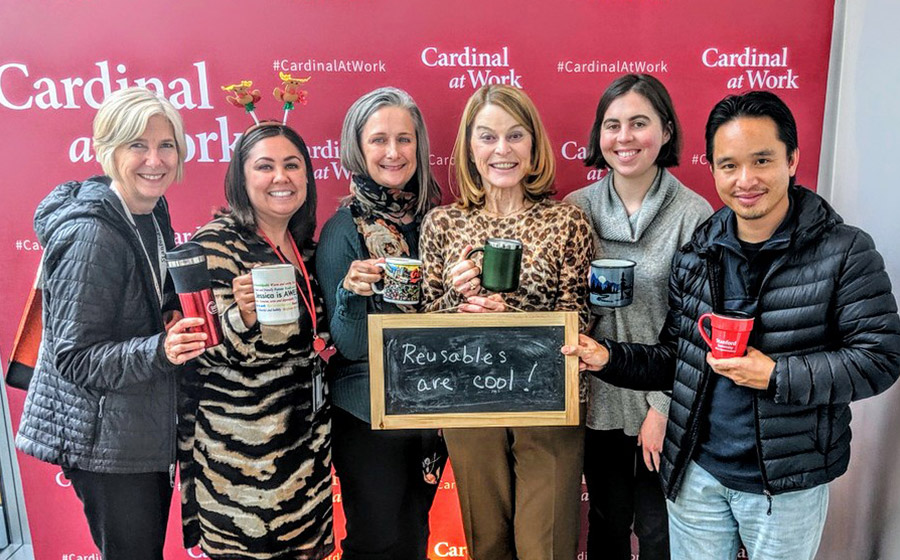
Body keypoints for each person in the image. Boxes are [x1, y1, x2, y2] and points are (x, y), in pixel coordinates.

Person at [563, 90, 900, 560]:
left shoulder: (844, 251)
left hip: (783, 485)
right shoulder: (702, 249)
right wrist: (609, 358)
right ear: (715, 169)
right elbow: (677, 358)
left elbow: (879, 359)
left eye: (762, 160)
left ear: (792, 159)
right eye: (728, 165)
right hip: (697, 472)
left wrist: (777, 375)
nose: (746, 179)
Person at [15, 87, 206, 560]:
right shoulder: (92, 235)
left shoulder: (149, 208)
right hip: (106, 441)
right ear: (107, 150)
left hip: (137, 425)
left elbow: (144, 292)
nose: (155, 160)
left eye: (166, 145)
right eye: (137, 145)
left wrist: (169, 312)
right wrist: (159, 350)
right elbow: (75, 358)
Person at [419, 84, 593, 560]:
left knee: (547, 546)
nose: (502, 149)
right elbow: (422, 328)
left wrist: (512, 317)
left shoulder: (567, 222)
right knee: (487, 543)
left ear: (534, 147)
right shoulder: (442, 225)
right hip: (471, 401)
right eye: (488, 136)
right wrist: (459, 300)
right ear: (469, 148)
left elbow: (582, 319)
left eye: (515, 136)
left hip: (548, 402)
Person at [564, 74, 712, 560]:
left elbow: (696, 329)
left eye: (639, 123)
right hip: (595, 400)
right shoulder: (575, 211)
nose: (624, 137)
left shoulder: (694, 215)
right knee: (606, 521)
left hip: (663, 402)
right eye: (612, 125)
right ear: (598, 136)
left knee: (656, 528)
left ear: (666, 132)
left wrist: (662, 407)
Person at [178, 122, 333, 559]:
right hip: (242, 467)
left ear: (307, 176)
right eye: (265, 166)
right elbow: (199, 351)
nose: (281, 177)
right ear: (241, 179)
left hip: (306, 458)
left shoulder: (305, 248)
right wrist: (241, 317)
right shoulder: (214, 246)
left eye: (292, 165)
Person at [316, 87, 444, 560]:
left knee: (413, 537)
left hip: (432, 408)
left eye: (404, 139)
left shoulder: (439, 222)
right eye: (379, 140)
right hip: (368, 413)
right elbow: (348, 347)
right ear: (358, 148)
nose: (393, 152)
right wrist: (351, 291)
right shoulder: (343, 230)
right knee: (377, 542)